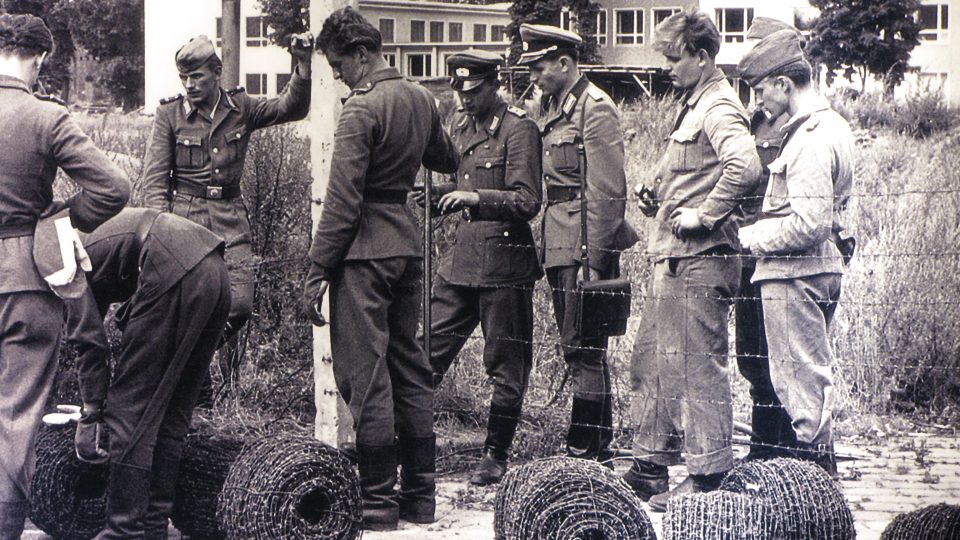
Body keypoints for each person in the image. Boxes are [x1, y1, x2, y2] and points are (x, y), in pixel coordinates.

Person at [303, 7, 459, 531]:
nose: (339, 75)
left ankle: (376, 502)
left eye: (340, 64)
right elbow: (447, 159)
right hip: (407, 247)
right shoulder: (421, 98)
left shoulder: (360, 110)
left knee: (365, 375)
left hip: (363, 253)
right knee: (409, 366)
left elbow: (341, 203)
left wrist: (316, 270)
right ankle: (421, 498)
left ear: (363, 54)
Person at [625, 8, 760, 512]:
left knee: (698, 370)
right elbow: (692, 172)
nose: (667, 68)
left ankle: (709, 478)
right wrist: (654, 196)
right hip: (675, 259)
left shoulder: (719, 106)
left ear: (702, 58)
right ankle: (649, 467)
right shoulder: (693, 104)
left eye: (674, 58)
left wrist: (704, 216)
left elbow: (745, 167)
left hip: (701, 260)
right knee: (652, 363)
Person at [0, 13, 130, 538]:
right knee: (18, 414)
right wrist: (58, 221)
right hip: (25, 277)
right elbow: (114, 188)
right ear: (39, 58)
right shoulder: (45, 117)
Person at [140, 31, 312, 384]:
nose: (189, 84)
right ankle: (191, 385)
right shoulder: (170, 114)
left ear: (216, 73)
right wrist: (156, 232)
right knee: (187, 304)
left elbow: (290, 108)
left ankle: (188, 363)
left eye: (197, 76)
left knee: (239, 304)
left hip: (230, 218)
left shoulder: (241, 108)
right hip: (185, 220)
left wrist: (303, 66)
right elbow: (154, 181)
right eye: (184, 77)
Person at [64, 208, 230, 539]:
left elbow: (89, 341)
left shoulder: (57, 259)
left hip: (170, 264)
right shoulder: (71, 235)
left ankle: (123, 531)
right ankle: (153, 527)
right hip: (215, 272)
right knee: (169, 415)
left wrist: (92, 412)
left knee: (127, 410)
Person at [419, 50, 542, 486]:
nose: (465, 100)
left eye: (473, 91)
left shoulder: (518, 128)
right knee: (424, 351)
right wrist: (439, 196)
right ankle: (408, 443)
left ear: (494, 84)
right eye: (460, 91)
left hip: (505, 266)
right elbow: (464, 178)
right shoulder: (461, 125)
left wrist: (474, 200)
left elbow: (527, 200)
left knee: (505, 364)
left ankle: (495, 454)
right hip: (462, 261)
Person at [518, 23, 637, 465]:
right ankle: (597, 442)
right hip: (560, 240)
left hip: (584, 243)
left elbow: (608, 191)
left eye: (540, 67)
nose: (534, 76)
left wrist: (596, 256)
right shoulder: (556, 106)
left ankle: (583, 447)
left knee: (584, 347)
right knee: (579, 346)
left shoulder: (595, 108)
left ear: (565, 64)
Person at [738, 29, 855, 477]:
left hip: (794, 279)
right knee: (813, 383)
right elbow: (844, 216)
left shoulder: (807, 138)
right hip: (821, 271)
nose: (760, 101)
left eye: (761, 89)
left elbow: (809, 223)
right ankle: (812, 486)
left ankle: (813, 494)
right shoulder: (834, 126)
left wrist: (751, 237)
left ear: (785, 84)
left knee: (801, 395)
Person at [734, 18, 805, 462]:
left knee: (788, 362)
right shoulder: (755, 121)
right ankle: (764, 452)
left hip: (787, 257)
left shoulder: (805, 123)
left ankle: (787, 454)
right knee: (753, 358)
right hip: (749, 256)